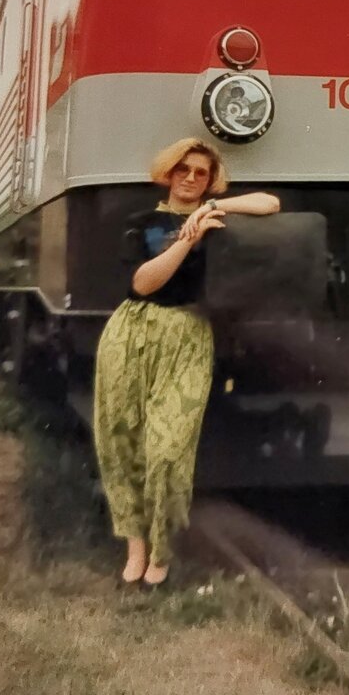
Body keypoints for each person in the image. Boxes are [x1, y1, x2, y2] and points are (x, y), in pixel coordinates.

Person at [93, 137, 280, 587]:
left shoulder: (215, 215)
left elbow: (271, 203)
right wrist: (187, 238)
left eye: (202, 173)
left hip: (188, 336)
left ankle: (162, 548)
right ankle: (135, 543)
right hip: (134, 330)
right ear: (168, 173)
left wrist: (217, 209)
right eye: (184, 170)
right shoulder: (141, 223)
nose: (192, 178)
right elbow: (142, 283)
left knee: (168, 450)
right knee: (121, 442)